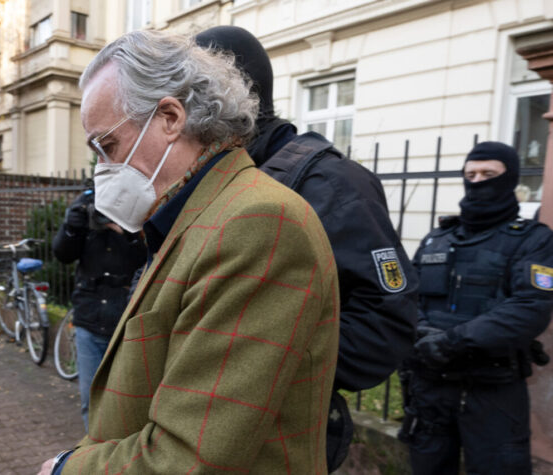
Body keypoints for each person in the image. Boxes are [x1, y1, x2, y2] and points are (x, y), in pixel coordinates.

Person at [39, 29, 340, 475]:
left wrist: (66, 469)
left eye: (107, 145)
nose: (102, 168)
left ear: (170, 117)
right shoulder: (199, 215)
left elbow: (193, 455)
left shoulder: (257, 222)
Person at [195, 25, 419, 470]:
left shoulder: (331, 183)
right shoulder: (222, 175)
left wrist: (268, 371)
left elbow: (385, 321)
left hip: (288, 436)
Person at [399, 141, 553, 474]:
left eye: (488, 173)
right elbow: (408, 296)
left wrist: (450, 342)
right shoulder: (436, 239)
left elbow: (530, 307)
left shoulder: (533, 239)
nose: (478, 180)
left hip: (492, 391)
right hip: (431, 389)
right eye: (471, 174)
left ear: (509, 178)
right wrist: (421, 331)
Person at [51, 188, 146, 431]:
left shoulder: (135, 217)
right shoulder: (84, 219)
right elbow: (62, 253)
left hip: (124, 324)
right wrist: (72, 226)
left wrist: (125, 229)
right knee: (90, 400)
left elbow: (150, 257)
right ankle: (92, 456)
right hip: (89, 320)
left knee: (125, 402)